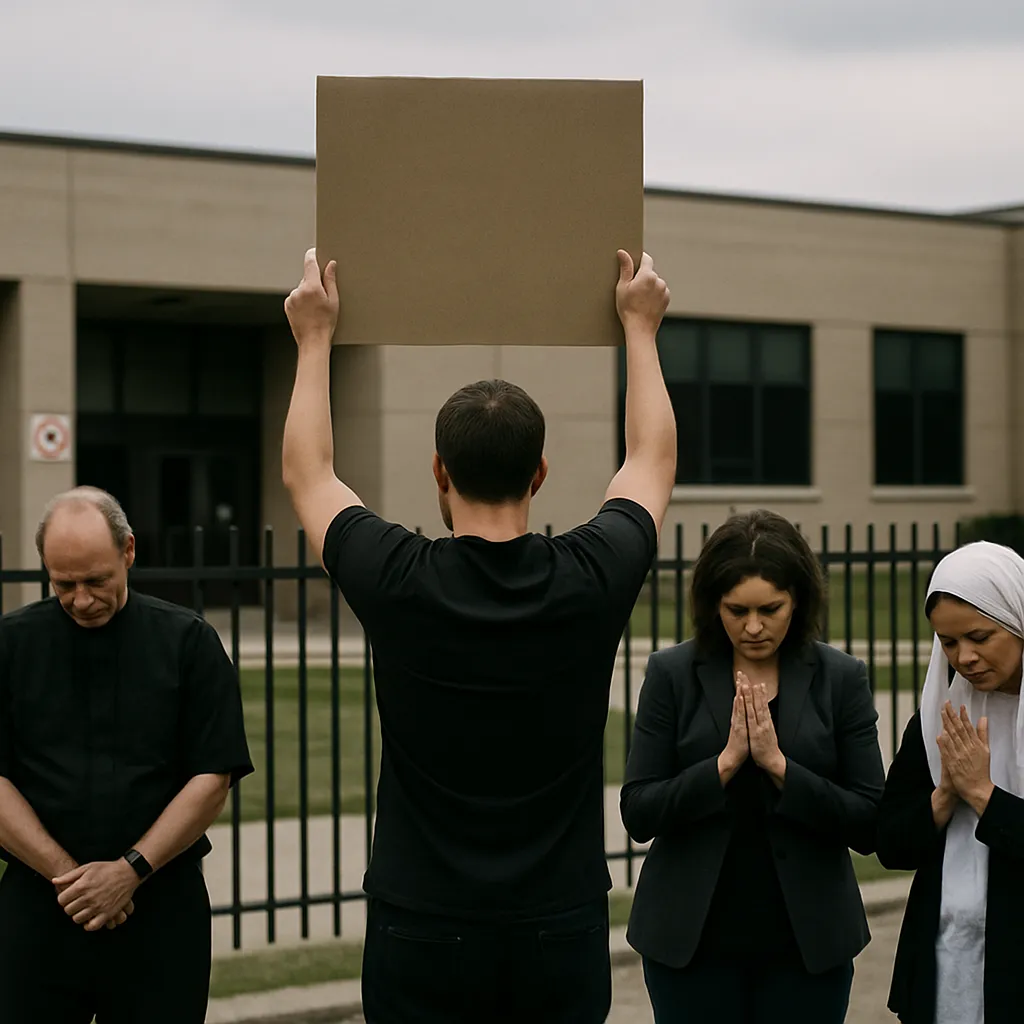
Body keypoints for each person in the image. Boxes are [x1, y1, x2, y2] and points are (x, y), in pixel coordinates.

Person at [281, 247, 676, 1023]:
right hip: (557, 922)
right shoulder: (592, 577)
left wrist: (313, 339)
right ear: (540, 474)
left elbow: (309, 473)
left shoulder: (397, 577)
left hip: (420, 920)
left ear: (438, 472)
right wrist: (640, 327)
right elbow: (650, 459)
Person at [620, 510, 885, 1024]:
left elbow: (869, 818)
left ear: (799, 600)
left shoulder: (841, 679)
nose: (754, 626)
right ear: (712, 604)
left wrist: (780, 767)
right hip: (690, 948)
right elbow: (639, 811)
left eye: (771, 608)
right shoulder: (672, 674)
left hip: (807, 948)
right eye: (736, 609)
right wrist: (723, 765)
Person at [0, 487, 253, 1024]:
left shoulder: (189, 642)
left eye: (96, 581)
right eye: (63, 584)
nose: (82, 599)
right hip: (38, 907)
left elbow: (213, 775)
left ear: (129, 552)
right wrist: (71, 878)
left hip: (160, 909)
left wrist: (128, 872)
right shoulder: (10, 645)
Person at [877, 541, 1024, 1024]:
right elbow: (892, 845)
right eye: (948, 641)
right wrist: (943, 795)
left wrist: (983, 795)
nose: (965, 657)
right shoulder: (940, 715)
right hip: (942, 960)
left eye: (981, 637)